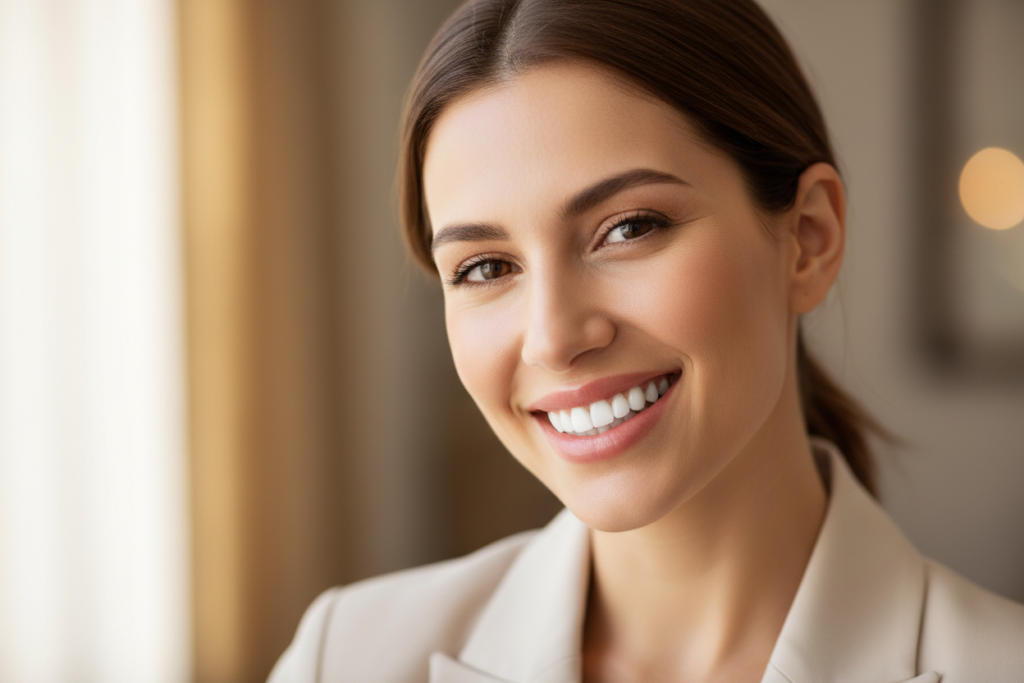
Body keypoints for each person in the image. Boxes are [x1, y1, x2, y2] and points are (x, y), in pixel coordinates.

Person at [269, 0, 1024, 681]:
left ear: (809, 240)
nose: (555, 337)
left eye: (629, 228)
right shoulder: (346, 656)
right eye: (486, 267)